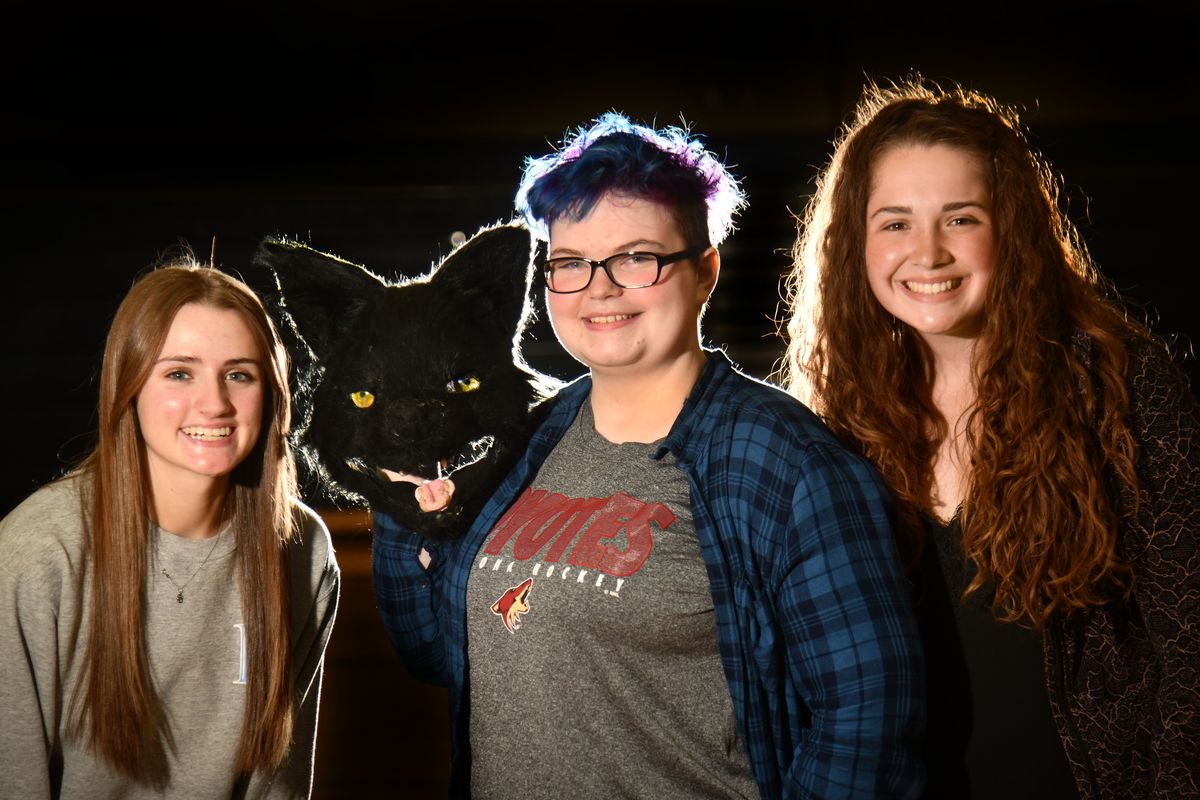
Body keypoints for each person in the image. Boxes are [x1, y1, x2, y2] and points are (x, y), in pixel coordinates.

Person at [372, 112, 924, 798]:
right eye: (572, 264)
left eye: (636, 258)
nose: (599, 289)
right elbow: (435, 652)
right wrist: (399, 498)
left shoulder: (787, 462)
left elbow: (868, 718)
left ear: (704, 272)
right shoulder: (520, 445)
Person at [782, 78, 1200, 799]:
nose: (929, 252)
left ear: (1012, 227)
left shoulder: (1119, 384)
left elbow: (1190, 636)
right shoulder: (834, 421)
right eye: (895, 223)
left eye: (961, 217)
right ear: (855, 241)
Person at [0, 262, 340, 799]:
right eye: (179, 373)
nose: (215, 404)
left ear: (270, 393)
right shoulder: (37, 553)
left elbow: (278, 784)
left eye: (239, 374)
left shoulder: (301, 549)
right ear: (129, 384)